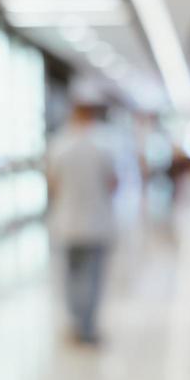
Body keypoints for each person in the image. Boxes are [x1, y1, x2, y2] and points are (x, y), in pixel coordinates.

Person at [47, 95, 119, 346]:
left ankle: (76, 325)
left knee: (72, 277)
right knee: (93, 277)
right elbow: (113, 184)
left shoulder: (59, 145)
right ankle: (88, 327)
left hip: (67, 223)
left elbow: (52, 184)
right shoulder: (104, 145)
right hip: (97, 222)